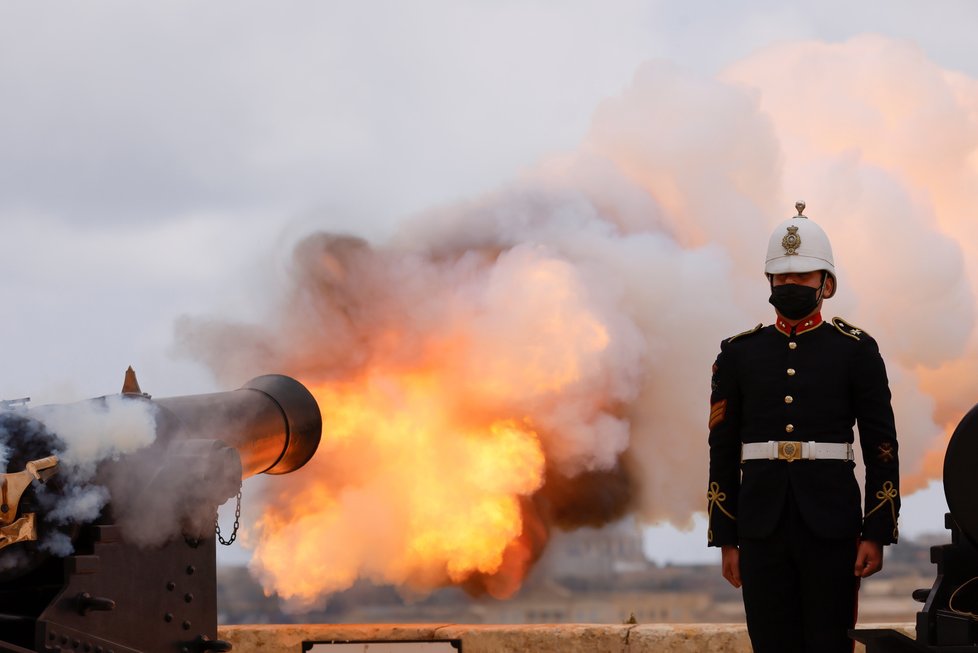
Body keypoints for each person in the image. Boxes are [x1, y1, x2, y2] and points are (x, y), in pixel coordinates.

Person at [706, 202, 900, 653]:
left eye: (802, 277)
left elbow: (881, 446)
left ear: (825, 284)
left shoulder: (855, 351)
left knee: (829, 644)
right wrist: (725, 538)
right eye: (782, 277)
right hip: (759, 528)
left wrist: (876, 531)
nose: (790, 284)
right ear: (770, 282)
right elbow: (721, 449)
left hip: (831, 525)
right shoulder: (738, 354)